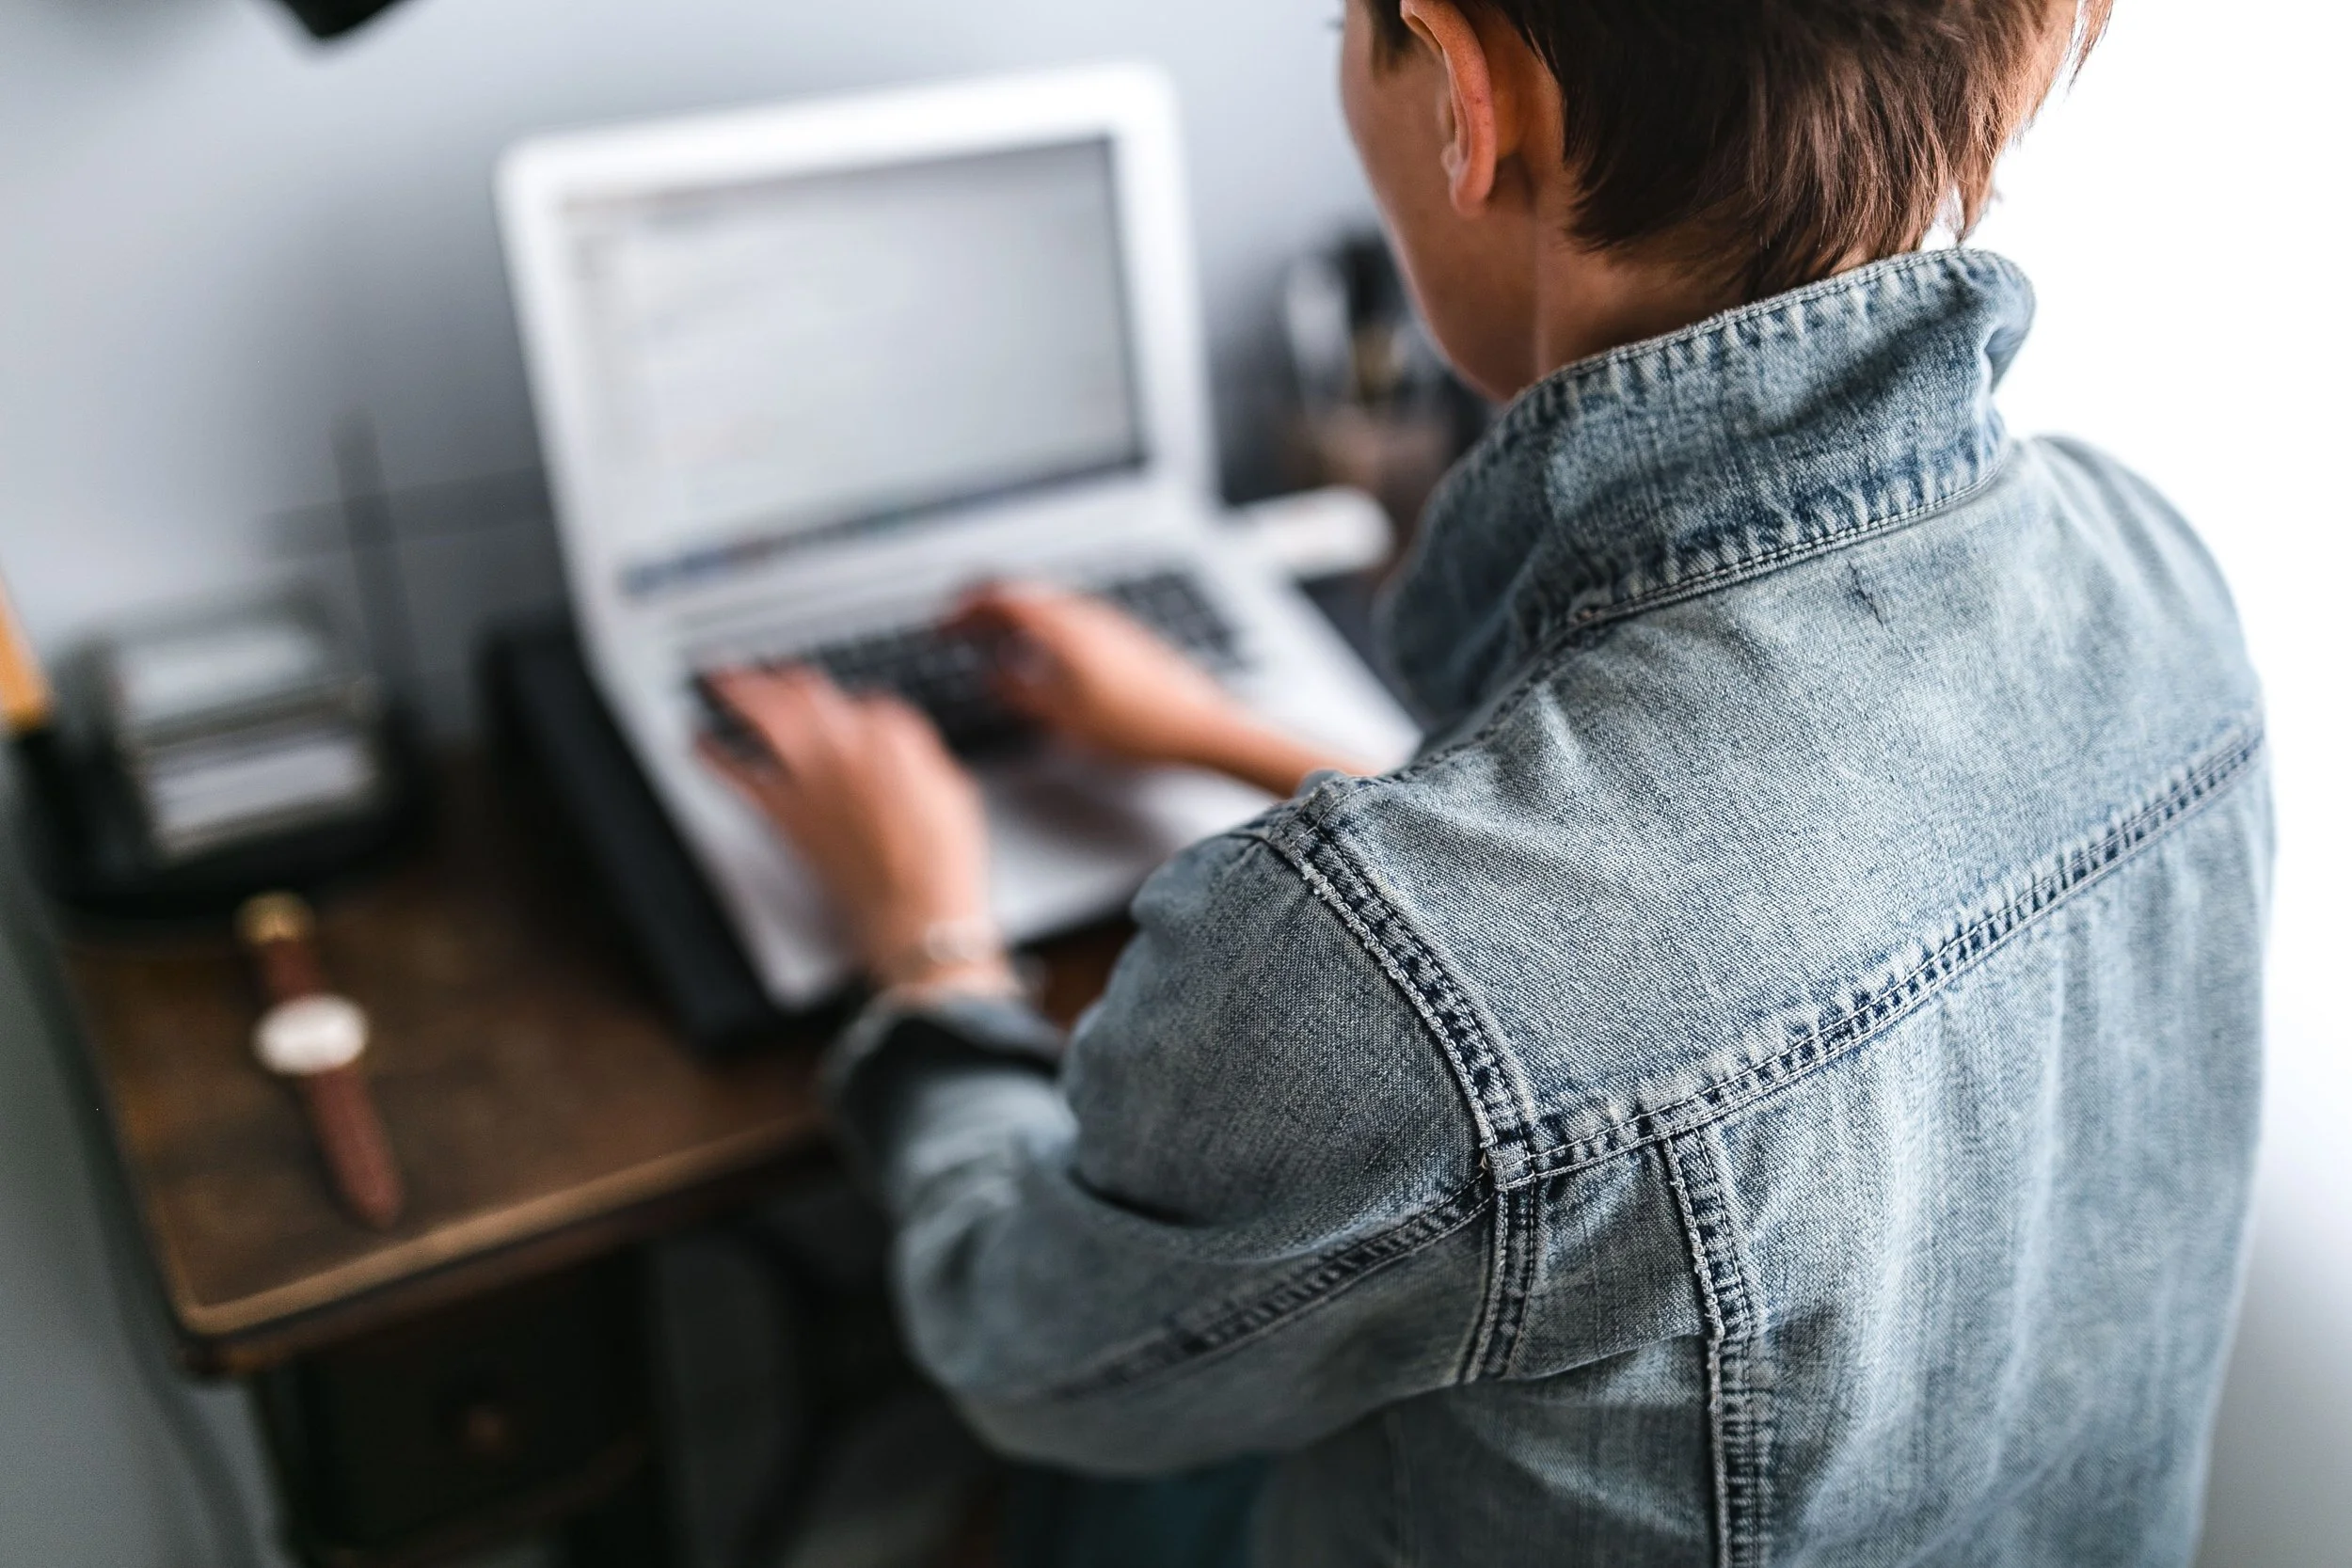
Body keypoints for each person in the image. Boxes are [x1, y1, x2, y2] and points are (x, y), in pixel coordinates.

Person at [701, 1, 2271, 1561]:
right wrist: (1222, 732)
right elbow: (1691, 908)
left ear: (1468, 91)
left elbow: (1030, 1343)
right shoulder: (2150, 566)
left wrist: (928, 949)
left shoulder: (1364, 960)